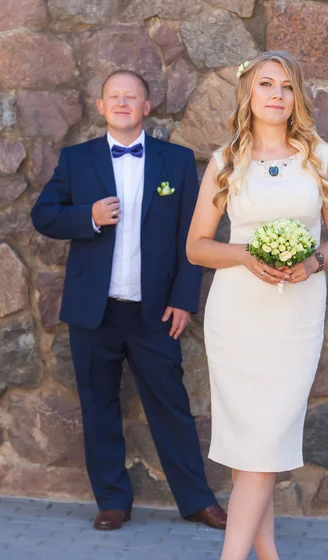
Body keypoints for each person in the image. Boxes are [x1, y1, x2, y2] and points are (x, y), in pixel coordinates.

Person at [31, 70, 227, 532]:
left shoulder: (176, 162)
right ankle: (113, 501)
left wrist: (184, 299)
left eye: (131, 96)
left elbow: (192, 235)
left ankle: (197, 500)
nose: (122, 102)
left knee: (171, 406)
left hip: (155, 311)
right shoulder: (76, 160)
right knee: (98, 405)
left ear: (146, 106)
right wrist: (89, 217)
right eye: (113, 96)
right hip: (93, 311)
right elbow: (44, 215)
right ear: (101, 107)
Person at [186, 51, 328, 559]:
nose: (276, 94)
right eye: (265, 85)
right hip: (237, 316)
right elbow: (197, 246)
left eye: (285, 86)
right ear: (249, 95)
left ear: (296, 97)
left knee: (263, 443)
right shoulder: (224, 162)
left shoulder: (319, 158)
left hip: (295, 315)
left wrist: (313, 262)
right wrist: (245, 254)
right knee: (249, 448)